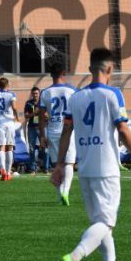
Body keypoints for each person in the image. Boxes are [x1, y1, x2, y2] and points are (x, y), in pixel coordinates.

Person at [53, 48, 131, 261]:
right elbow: (123, 128)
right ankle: (74, 257)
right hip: (107, 168)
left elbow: (66, 131)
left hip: (85, 168)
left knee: (101, 222)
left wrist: (59, 164)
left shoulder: (75, 97)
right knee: (106, 223)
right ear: (110, 69)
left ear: (90, 69)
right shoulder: (113, 94)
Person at [39, 64, 77, 205]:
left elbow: (41, 117)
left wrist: (42, 136)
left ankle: (60, 194)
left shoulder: (45, 92)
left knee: (57, 164)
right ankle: (66, 191)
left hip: (53, 130)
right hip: (68, 129)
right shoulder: (72, 90)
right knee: (69, 163)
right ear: (63, 73)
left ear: (51, 75)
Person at [24, 86, 41, 174]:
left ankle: (46, 168)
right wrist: (34, 113)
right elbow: (26, 116)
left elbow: (47, 114)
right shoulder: (28, 103)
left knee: (45, 148)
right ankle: (33, 168)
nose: (35, 95)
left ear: (39, 94)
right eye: (34, 93)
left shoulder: (42, 102)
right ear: (31, 94)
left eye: (37, 93)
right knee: (31, 148)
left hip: (42, 127)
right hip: (32, 127)